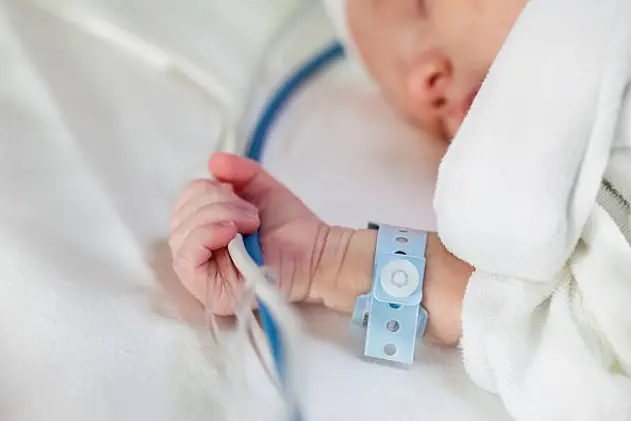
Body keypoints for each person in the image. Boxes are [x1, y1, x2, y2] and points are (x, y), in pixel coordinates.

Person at [169, 0, 631, 419]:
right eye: (405, 97)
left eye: (422, 5)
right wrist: (325, 259)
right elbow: (562, 356)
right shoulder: (558, 217)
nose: (420, 83)